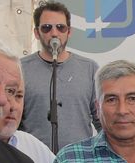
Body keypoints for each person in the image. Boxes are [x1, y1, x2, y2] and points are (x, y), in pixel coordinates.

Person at [19, 1, 99, 152]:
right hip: (33, 160)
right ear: (37, 33)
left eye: (60, 28)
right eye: (47, 28)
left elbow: (101, 120)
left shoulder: (89, 68)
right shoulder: (20, 68)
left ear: (69, 32)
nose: (54, 33)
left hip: (79, 161)